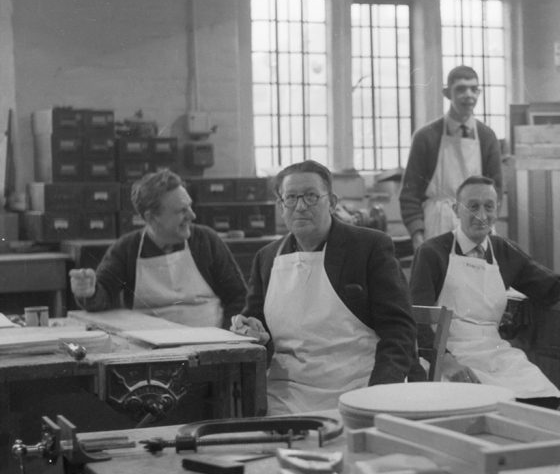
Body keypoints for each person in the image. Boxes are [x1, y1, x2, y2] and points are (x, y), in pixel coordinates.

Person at [409, 176, 560, 408]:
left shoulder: (504, 250)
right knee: (487, 410)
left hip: (495, 353)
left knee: (548, 402)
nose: (482, 215)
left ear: (497, 210)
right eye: (473, 206)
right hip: (448, 356)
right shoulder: (432, 252)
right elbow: (417, 320)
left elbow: (550, 284)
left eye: (489, 207)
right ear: (456, 210)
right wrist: (446, 362)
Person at [231, 159, 421, 415]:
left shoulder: (369, 247)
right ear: (280, 205)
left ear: (331, 202)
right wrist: (250, 330)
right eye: (291, 198)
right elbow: (257, 327)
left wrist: (380, 393)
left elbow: (399, 330)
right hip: (284, 395)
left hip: (357, 389)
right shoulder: (266, 258)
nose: (300, 206)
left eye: (311, 197)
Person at [68, 168, 247, 328]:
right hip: (151, 350)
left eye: (189, 207)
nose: (192, 215)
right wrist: (89, 292)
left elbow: (239, 298)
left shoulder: (206, 241)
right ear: (152, 217)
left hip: (212, 341)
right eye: (181, 211)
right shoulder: (126, 248)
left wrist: (227, 336)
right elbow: (103, 296)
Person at [399, 66, 503, 251]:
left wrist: (488, 221)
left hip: (478, 224)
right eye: (461, 89)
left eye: (474, 89)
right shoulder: (426, 136)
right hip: (437, 225)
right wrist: (417, 234)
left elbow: (497, 190)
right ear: (447, 93)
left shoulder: (487, 137)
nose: (468, 95)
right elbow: (409, 193)